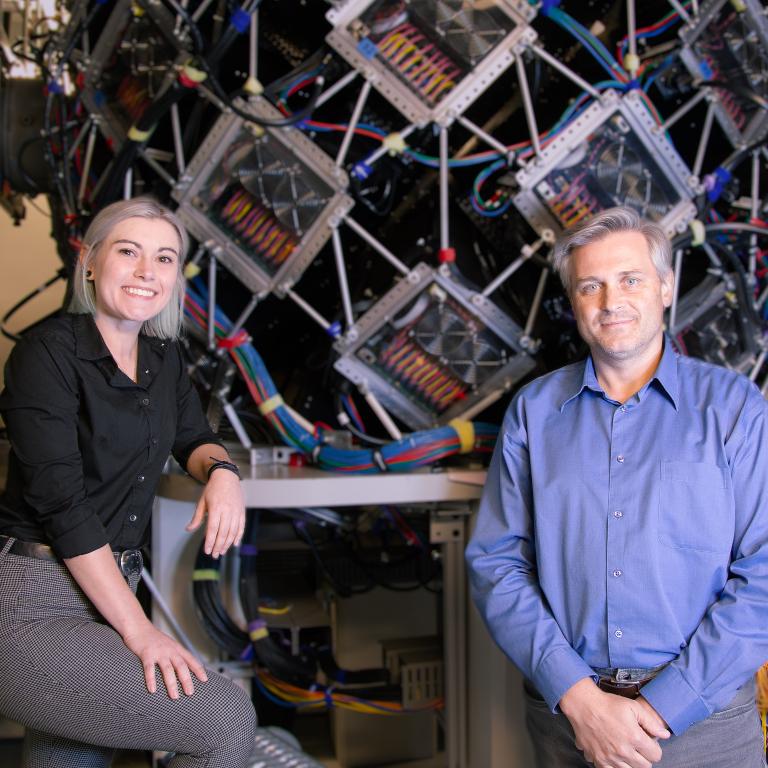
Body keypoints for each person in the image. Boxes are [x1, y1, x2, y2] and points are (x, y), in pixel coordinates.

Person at [466, 206, 768, 768]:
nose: (611, 301)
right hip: (571, 723)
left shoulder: (735, 410)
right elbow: (496, 564)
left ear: (666, 286)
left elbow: (765, 575)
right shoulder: (533, 413)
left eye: (630, 279)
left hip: (706, 726)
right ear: (574, 302)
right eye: (591, 286)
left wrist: (660, 710)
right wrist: (582, 701)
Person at [0, 197, 257, 768]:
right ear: (89, 262)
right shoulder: (45, 355)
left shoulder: (163, 360)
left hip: (108, 593)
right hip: (31, 607)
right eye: (128, 251)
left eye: (164, 258)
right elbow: (62, 506)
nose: (148, 271)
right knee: (223, 721)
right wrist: (141, 633)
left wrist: (222, 473)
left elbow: (194, 439)